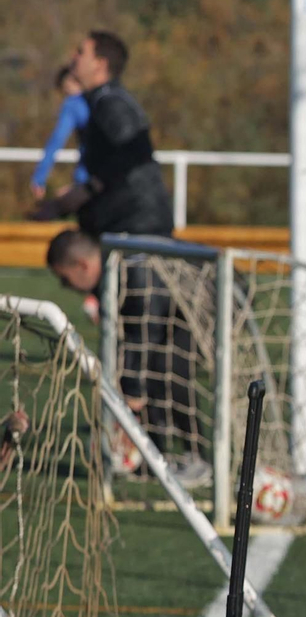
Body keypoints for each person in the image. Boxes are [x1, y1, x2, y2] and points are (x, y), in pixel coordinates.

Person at [46, 229, 206, 483]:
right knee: (142, 372)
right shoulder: (111, 273)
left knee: (169, 368)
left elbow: (146, 331)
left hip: (205, 303)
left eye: (65, 279)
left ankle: (199, 458)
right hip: (169, 313)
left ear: (82, 265)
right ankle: (154, 455)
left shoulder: (133, 272)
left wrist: (132, 392)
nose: (66, 287)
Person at [31, 31, 173, 237]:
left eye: (81, 52)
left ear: (100, 64)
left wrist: (87, 189)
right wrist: (65, 203)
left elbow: (134, 152)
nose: (73, 56)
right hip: (126, 220)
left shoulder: (111, 102)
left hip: (137, 225)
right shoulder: (100, 100)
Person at [30, 66, 90, 201]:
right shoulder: (109, 97)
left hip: (89, 178)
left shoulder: (72, 104)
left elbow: (57, 140)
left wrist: (39, 177)